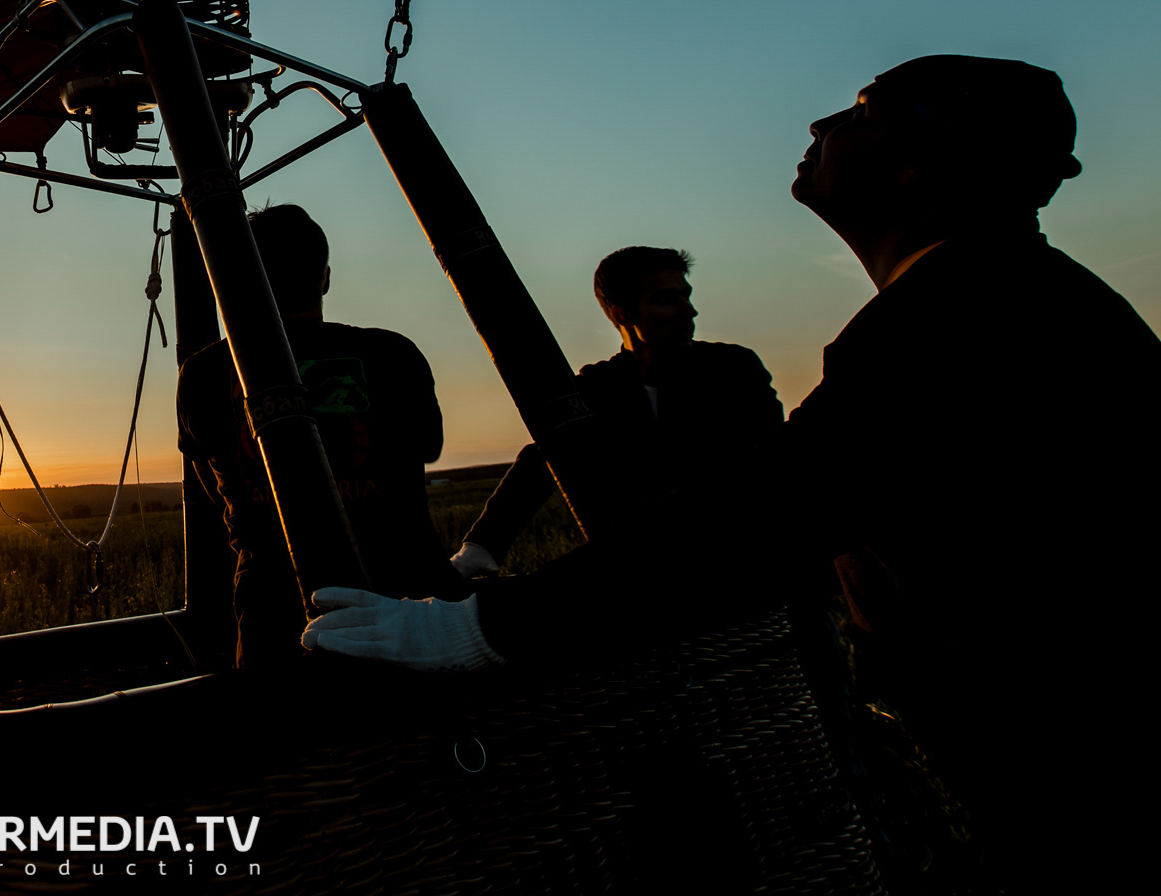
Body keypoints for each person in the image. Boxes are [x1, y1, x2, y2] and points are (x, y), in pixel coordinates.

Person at [303, 55, 1158, 887]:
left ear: (910, 170)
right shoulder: (1009, 297)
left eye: (860, 113)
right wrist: (481, 555)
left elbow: (762, 511)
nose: (822, 124)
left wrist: (480, 629)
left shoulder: (964, 315)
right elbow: (562, 468)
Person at [178, 204, 461, 666]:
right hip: (413, 607)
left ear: (243, 281)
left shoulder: (203, 373)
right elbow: (427, 446)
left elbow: (214, 486)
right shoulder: (394, 353)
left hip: (279, 620)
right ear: (325, 277)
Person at [453, 246, 783, 579]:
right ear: (622, 313)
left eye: (687, 296)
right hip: (656, 577)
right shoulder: (596, 386)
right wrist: (480, 547)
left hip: (760, 570)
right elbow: (544, 457)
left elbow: (771, 460)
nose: (690, 312)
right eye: (667, 300)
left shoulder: (734, 369)